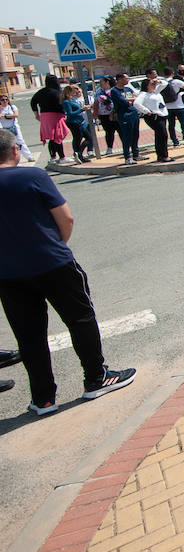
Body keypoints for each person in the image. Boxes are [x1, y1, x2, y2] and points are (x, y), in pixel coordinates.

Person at [0, 129, 137, 415]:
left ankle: (43, 398)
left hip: (8, 273)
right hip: (52, 262)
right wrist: (56, 245)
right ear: (15, 151)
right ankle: (96, 379)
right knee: (80, 319)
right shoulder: (32, 177)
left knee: (29, 335)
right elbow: (66, 217)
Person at [30, 75, 68, 165]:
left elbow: (33, 102)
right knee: (58, 137)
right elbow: (62, 104)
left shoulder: (41, 92)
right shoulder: (57, 92)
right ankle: (62, 157)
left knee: (51, 138)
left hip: (44, 116)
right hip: (57, 116)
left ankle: (53, 157)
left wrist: (36, 115)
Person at [134, 78, 172, 163]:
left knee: (160, 136)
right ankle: (164, 156)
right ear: (146, 86)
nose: (154, 85)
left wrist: (157, 81)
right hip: (154, 116)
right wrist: (146, 111)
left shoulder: (155, 92)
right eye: (152, 84)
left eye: (154, 84)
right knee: (163, 135)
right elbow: (136, 103)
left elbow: (165, 84)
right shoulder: (144, 94)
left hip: (162, 115)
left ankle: (161, 156)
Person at [60, 85, 90, 164]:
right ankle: (78, 154)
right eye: (74, 91)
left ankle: (78, 154)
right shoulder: (66, 101)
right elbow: (70, 113)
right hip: (73, 122)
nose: (76, 93)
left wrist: (83, 108)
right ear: (70, 91)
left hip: (80, 121)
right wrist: (81, 109)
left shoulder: (72, 100)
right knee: (78, 138)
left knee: (88, 138)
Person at [0, 93, 34, 162]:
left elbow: (15, 115)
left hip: (14, 127)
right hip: (4, 129)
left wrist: (4, 116)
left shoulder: (12, 107)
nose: (5, 101)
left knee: (20, 141)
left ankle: (29, 156)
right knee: (6, 145)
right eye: (2, 100)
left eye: (6, 99)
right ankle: (8, 159)